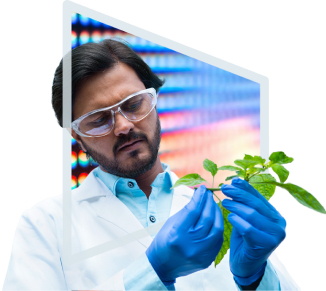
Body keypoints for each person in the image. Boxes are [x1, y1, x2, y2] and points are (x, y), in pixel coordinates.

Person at [3, 39, 297, 290]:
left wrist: (256, 278)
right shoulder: (45, 225)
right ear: (77, 135)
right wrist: (151, 273)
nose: (122, 126)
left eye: (133, 105)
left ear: (154, 102)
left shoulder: (220, 208)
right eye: (98, 120)